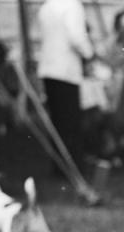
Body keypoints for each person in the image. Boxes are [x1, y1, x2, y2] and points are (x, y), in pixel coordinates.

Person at [36, 0, 95, 180]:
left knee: (58, 122)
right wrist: (90, 54)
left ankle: (59, 168)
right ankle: (73, 167)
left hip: (49, 67)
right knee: (70, 122)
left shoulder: (46, 6)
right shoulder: (72, 6)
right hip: (66, 69)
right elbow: (77, 37)